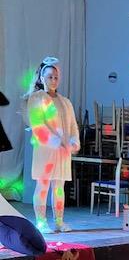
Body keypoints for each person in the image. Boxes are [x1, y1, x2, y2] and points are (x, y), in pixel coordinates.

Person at [25, 57, 80, 234]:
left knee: (59, 187)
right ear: (42, 78)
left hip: (63, 152)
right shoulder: (37, 98)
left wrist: (74, 141)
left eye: (56, 77)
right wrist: (56, 142)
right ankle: (41, 222)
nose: (53, 80)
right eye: (50, 77)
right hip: (46, 151)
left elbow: (72, 125)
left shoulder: (65, 102)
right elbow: (38, 125)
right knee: (43, 186)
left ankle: (59, 221)